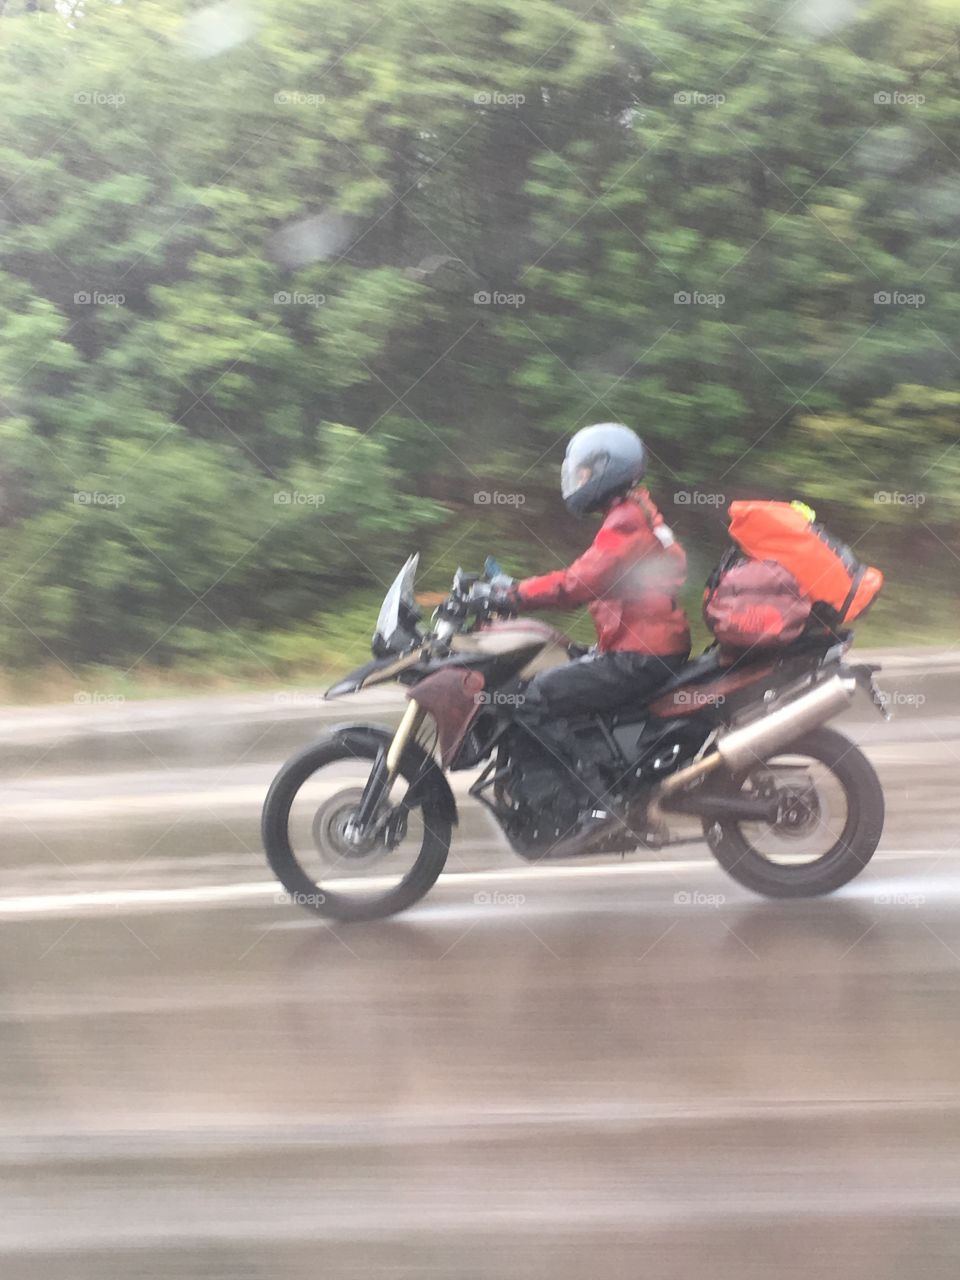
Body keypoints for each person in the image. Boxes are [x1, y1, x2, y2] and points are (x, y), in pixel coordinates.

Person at [494, 422, 692, 853]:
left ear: (608, 469)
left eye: (583, 473)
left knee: (533, 699)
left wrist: (512, 595)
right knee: (561, 678)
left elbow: (575, 585)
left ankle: (600, 804)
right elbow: (598, 581)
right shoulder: (632, 512)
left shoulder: (625, 521)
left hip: (643, 654)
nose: (577, 482)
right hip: (644, 647)